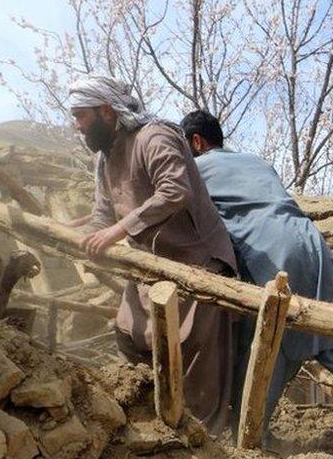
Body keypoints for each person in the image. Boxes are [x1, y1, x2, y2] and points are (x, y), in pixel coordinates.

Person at [179, 110, 333, 450]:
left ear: (197, 142)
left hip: (269, 254)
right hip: (310, 242)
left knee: (263, 345)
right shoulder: (257, 162)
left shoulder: (196, 170)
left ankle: (251, 438)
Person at [68, 77, 238, 434]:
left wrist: (118, 232)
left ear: (106, 111)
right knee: (129, 335)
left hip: (197, 263)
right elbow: (103, 215)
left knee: (192, 359)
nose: (78, 125)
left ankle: (209, 446)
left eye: (81, 116)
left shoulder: (155, 136)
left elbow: (175, 191)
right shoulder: (105, 159)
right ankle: (156, 428)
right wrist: (82, 239)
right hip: (150, 266)